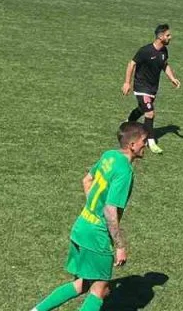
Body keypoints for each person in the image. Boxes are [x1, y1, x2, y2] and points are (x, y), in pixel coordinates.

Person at [28, 122, 149, 311]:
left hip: (82, 224)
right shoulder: (125, 171)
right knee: (99, 290)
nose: (146, 144)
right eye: (143, 141)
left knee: (82, 284)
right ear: (132, 145)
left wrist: (93, 208)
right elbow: (110, 210)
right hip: (97, 235)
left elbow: (87, 180)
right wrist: (120, 246)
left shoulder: (109, 155)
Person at [123, 24, 181, 154]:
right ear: (160, 37)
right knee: (150, 113)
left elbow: (164, 65)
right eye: (168, 35)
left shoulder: (164, 51)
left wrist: (172, 78)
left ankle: (127, 123)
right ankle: (151, 141)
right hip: (141, 86)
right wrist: (127, 83)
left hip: (152, 88)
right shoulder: (145, 51)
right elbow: (131, 64)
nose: (170, 37)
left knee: (141, 109)